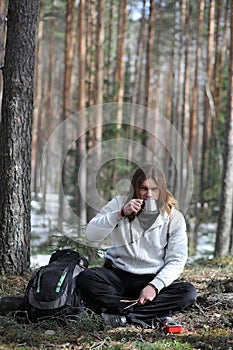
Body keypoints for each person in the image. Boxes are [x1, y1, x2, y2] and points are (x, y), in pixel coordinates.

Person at [77, 163, 197, 327]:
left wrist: (154, 286)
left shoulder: (174, 217)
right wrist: (119, 214)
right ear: (135, 188)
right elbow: (91, 234)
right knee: (87, 278)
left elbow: (177, 260)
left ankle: (122, 315)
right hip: (117, 275)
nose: (149, 194)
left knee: (188, 292)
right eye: (144, 189)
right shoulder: (119, 203)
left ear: (161, 190)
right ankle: (149, 314)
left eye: (154, 189)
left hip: (150, 278)